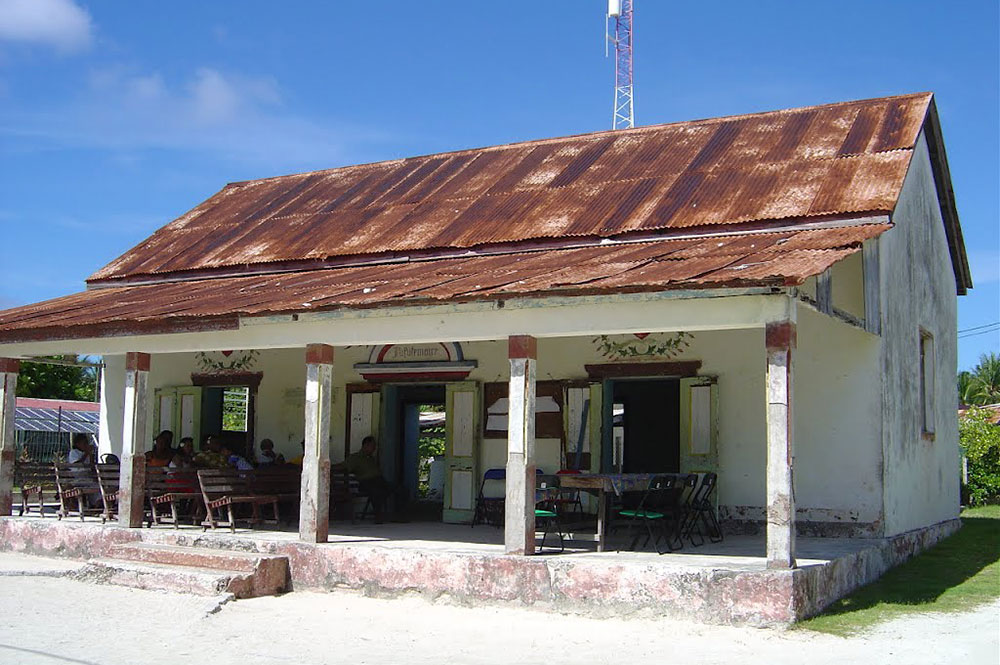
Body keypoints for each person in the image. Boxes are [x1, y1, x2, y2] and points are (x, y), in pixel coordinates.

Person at [338, 436, 403, 524]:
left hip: (379, 480)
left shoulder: (371, 458)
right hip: (366, 482)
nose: (374, 448)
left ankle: (399, 515)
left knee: (401, 489)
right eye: (372, 446)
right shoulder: (355, 458)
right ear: (366, 445)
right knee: (376, 491)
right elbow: (342, 466)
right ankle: (378, 515)